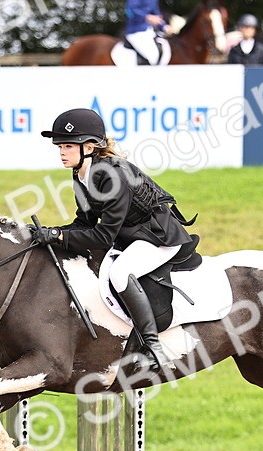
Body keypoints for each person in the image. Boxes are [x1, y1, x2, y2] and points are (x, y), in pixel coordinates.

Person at [35, 108, 197, 373]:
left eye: (67, 146)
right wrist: (50, 234)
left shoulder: (111, 175)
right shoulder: (81, 173)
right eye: (60, 146)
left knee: (121, 273)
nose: (61, 152)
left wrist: (60, 236)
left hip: (157, 236)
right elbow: (84, 223)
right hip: (130, 235)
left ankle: (153, 347)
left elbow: (103, 236)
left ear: (89, 146)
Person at [125, 0, 168, 65]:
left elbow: (156, 16)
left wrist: (164, 26)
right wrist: (147, 17)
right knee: (153, 56)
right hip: (136, 32)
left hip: (150, 32)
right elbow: (130, 11)